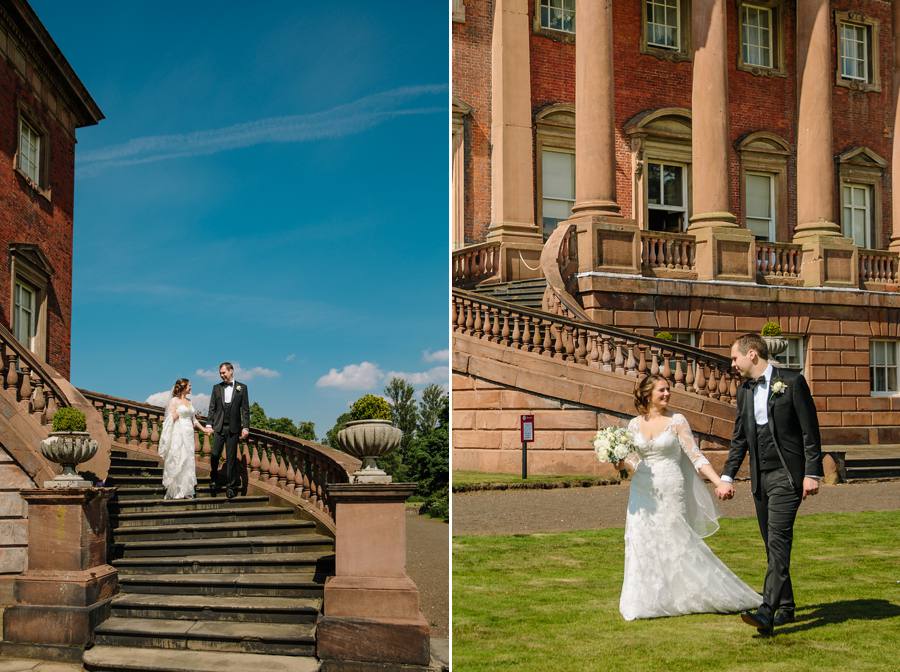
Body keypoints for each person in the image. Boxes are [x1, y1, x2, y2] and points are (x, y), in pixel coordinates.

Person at [618, 373, 762, 621]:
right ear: (647, 394)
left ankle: (686, 595)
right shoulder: (633, 425)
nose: (667, 394)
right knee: (641, 541)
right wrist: (616, 459)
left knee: (676, 540)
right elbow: (627, 468)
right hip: (641, 490)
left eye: (668, 389)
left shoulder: (677, 421)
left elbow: (695, 456)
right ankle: (646, 601)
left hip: (671, 485)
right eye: (661, 390)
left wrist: (719, 482)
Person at [717, 333, 823, 635]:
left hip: (787, 476)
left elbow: (810, 432)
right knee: (770, 544)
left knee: (778, 541)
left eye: (735, 357)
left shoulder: (791, 382)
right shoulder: (745, 391)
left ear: (752, 354)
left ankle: (767, 611)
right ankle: (786, 606)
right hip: (760, 479)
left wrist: (811, 473)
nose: (732, 363)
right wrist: (727, 475)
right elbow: (739, 438)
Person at [158, 378, 212, 500]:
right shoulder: (174, 401)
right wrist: (177, 413)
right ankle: (176, 490)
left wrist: (204, 430)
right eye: (189, 385)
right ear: (183, 387)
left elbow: (194, 420)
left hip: (189, 434)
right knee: (178, 458)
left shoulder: (189, 401)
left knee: (188, 460)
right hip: (179, 432)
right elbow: (170, 418)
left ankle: (186, 490)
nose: (191, 387)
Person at [205, 361, 250, 499]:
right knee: (214, 454)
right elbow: (212, 407)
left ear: (231, 371)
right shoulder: (216, 388)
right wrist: (208, 424)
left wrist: (246, 427)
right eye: (220, 373)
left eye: (223, 372)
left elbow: (245, 409)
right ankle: (214, 478)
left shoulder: (242, 388)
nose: (221, 375)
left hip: (234, 428)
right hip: (218, 427)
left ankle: (230, 487)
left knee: (231, 459)